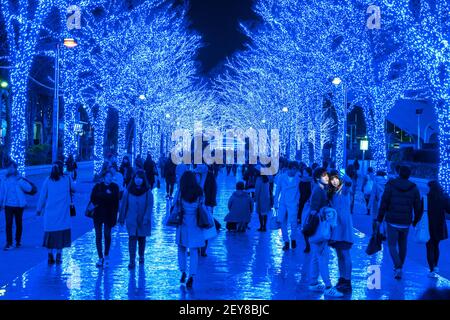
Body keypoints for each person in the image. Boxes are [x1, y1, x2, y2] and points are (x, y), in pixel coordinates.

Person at [376, 165, 422, 280]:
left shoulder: (391, 185)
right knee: (403, 244)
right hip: (406, 221)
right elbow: (418, 207)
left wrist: (379, 218)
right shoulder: (414, 188)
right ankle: (399, 267)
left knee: (391, 245)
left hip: (392, 220)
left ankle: (398, 267)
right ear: (409, 175)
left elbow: (384, 203)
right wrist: (415, 221)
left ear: (399, 173)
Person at [307, 167, 343, 297]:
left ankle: (313, 283)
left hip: (316, 231)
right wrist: (324, 212)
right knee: (323, 258)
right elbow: (313, 211)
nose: (327, 177)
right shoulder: (318, 191)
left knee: (317, 257)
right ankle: (328, 286)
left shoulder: (320, 189)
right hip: (319, 231)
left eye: (327, 175)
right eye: (324, 176)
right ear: (317, 178)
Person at [36, 161, 76, 264]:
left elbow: (42, 196)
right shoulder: (67, 179)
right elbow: (74, 189)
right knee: (61, 234)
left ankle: (50, 255)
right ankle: (59, 255)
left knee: (50, 234)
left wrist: (39, 209)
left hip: (50, 213)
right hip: (63, 212)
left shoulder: (48, 180)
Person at [118, 170, 153, 270]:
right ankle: (132, 260)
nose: (138, 180)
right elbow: (124, 205)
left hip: (143, 219)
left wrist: (146, 217)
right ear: (133, 179)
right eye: (136, 178)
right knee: (132, 238)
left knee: (142, 238)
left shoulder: (147, 192)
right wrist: (122, 218)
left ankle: (141, 256)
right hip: (131, 219)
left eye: (140, 178)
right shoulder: (128, 191)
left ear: (143, 179)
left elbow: (149, 205)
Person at [176, 171, 205, 289]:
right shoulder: (199, 192)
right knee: (194, 251)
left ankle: (183, 271)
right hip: (196, 224)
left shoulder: (181, 192)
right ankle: (192, 275)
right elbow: (202, 205)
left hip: (183, 224)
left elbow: (175, 204)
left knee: (181, 248)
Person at [328, 170, 354, 294]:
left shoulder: (344, 190)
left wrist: (344, 175)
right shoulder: (332, 192)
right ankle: (342, 278)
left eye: (336, 179)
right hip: (336, 227)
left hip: (344, 228)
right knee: (339, 255)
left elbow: (349, 184)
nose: (334, 181)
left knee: (345, 254)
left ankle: (348, 281)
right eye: (332, 179)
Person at [90, 169, 120, 268]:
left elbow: (115, 200)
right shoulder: (97, 187)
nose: (109, 178)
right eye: (107, 176)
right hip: (98, 215)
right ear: (103, 178)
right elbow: (93, 198)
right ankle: (100, 258)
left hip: (109, 215)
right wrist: (107, 195)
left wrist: (104, 196)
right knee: (98, 236)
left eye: (111, 176)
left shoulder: (115, 187)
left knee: (107, 235)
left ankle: (106, 255)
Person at [0, 161, 33, 250]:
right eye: (9, 167)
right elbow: (2, 192)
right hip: (8, 205)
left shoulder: (19, 179)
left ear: (15, 168)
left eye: (12, 167)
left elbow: (29, 189)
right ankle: (9, 243)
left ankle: (18, 241)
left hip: (19, 205)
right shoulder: (4, 179)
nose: (10, 169)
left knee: (19, 223)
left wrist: (20, 180)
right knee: (8, 224)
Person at [425, 180, 450, 278]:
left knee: (429, 247)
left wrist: (415, 222)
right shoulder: (443, 197)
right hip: (439, 225)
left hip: (428, 225)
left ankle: (432, 269)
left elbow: (420, 211)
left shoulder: (426, 198)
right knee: (436, 246)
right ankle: (435, 266)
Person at [274, 161, 300, 251]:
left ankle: (293, 239)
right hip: (283, 203)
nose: (295, 171)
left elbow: (300, 191)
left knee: (293, 223)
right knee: (282, 222)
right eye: (294, 169)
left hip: (293, 203)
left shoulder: (298, 178)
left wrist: (297, 201)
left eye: (296, 170)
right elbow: (277, 191)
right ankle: (286, 241)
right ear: (290, 168)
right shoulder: (281, 177)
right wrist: (275, 203)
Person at [201, 165, 217, 256]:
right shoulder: (211, 177)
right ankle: (203, 250)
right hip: (208, 205)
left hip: (201, 205)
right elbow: (213, 191)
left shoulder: (196, 176)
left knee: (199, 227)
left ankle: (199, 248)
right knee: (206, 227)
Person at [368, 170, 388, 235]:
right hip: (384, 203)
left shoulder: (375, 182)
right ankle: (385, 233)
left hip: (376, 203)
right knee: (384, 218)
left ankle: (375, 232)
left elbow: (373, 194)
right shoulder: (386, 182)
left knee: (375, 218)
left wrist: (369, 205)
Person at [298, 167, 313, 253]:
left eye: (305, 172)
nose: (303, 173)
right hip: (302, 204)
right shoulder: (300, 180)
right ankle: (308, 244)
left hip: (308, 205)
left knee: (306, 225)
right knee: (303, 224)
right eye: (303, 171)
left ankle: (308, 245)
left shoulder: (311, 181)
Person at [254, 167, 271, 232]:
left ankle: (261, 226)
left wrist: (255, 198)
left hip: (260, 198)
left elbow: (257, 190)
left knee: (260, 213)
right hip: (267, 198)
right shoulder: (267, 179)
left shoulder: (259, 179)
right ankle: (265, 226)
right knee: (265, 213)